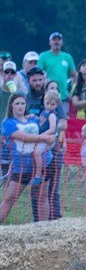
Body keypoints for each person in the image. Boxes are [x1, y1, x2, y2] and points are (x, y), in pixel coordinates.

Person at [0, 95, 54, 223]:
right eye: (17, 103)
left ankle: (44, 228)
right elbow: (23, 137)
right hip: (21, 166)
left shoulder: (34, 119)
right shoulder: (8, 123)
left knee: (42, 197)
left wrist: (49, 138)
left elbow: (49, 131)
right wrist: (44, 138)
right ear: (11, 106)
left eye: (22, 103)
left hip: (43, 162)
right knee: (10, 198)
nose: (20, 106)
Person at [38, 32, 76, 98]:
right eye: (54, 40)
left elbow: (74, 75)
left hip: (64, 96)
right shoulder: (43, 56)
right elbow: (39, 73)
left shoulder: (67, 57)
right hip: (48, 96)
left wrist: (72, 91)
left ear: (62, 42)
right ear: (50, 42)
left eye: (58, 40)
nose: (56, 42)